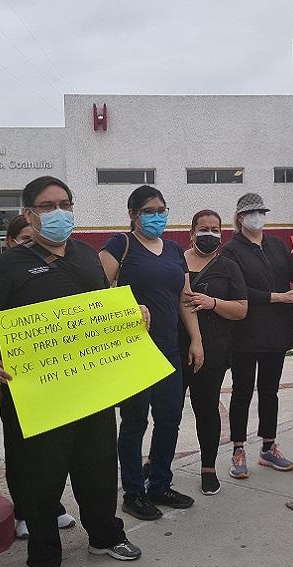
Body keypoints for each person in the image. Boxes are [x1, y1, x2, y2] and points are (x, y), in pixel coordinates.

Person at [0, 176, 141, 567]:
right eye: (47, 206)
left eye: (65, 203)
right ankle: (43, 558)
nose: (58, 212)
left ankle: (105, 536)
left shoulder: (86, 256)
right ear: (29, 214)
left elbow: (102, 308)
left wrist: (133, 313)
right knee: (40, 477)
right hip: (37, 393)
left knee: (98, 466)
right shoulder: (8, 265)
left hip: (90, 388)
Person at [99, 185, 204, 520]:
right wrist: (129, 309)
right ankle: (133, 493)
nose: (157, 216)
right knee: (134, 422)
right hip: (133, 353)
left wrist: (196, 340)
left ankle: (160, 484)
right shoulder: (120, 245)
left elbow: (184, 299)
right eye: (149, 211)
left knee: (170, 419)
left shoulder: (173, 250)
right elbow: (95, 295)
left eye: (161, 210)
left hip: (169, 350)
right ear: (133, 214)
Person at [0, 213, 77, 540]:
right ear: (10, 242)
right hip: (18, 375)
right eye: (25, 240)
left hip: (55, 375)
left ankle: (50, 505)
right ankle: (23, 512)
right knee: (21, 449)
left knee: (53, 450)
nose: (32, 246)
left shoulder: (59, 269)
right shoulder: (4, 270)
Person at [221, 193, 293, 479]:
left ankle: (268, 445)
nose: (257, 218)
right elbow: (238, 290)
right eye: (251, 213)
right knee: (242, 391)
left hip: (276, 332)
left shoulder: (276, 245)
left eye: (261, 212)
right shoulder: (231, 250)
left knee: (270, 391)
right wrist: (278, 297)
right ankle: (238, 448)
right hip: (245, 332)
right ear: (240, 217)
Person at [180, 210, 247, 495]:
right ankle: (158, 466)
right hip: (174, 346)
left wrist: (213, 302)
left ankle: (208, 468)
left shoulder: (228, 267)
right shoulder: (176, 261)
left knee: (206, 407)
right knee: (167, 412)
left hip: (213, 349)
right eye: (203, 229)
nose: (209, 234)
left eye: (215, 229)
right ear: (191, 233)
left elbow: (241, 309)